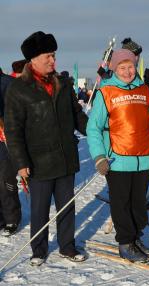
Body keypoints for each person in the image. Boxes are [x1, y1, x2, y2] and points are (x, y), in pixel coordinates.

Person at [86, 49, 149, 263]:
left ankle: (135, 237)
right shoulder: (106, 92)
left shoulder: (144, 90)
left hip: (144, 156)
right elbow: (93, 128)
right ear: (114, 69)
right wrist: (99, 157)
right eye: (122, 67)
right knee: (121, 203)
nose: (127, 71)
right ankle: (125, 242)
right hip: (117, 159)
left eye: (130, 66)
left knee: (139, 204)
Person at [4, 31, 88, 266]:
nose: (53, 60)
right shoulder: (18, 89)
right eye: (48, 56)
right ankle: (38, 250)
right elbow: (13, 130)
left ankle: (67, 246)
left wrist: (95, 132)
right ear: (33, 60)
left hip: (64, 157)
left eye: (53, 55)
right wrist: (20, 163)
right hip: (37, 161)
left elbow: (77, 116)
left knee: (66, 207)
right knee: (40, 210)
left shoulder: (64, 84)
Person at [0, 67, 21, 237]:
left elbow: (17, 112)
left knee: (5, 179)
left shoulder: (9, 83)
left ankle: (11, 218)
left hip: (5, 139)